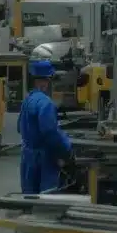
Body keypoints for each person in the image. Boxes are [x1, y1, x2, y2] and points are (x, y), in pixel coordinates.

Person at [17, 59, 72, 195]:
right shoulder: (45, 103)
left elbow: (19, 127)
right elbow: (49, 132)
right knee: (47, 197)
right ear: (46, 81)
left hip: (27, 157)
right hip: (44, 159)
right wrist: (64, 150)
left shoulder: (28, 100)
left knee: (29, 196)